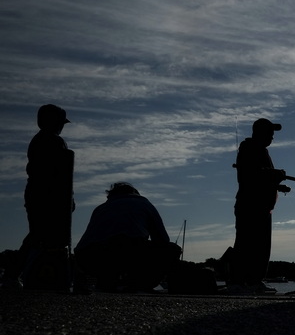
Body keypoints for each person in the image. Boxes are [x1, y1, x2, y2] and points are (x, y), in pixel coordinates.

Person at [1, 104, 75, 290]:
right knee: (41, 235)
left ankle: (24, 272)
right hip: (49, 195)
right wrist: (68, 198)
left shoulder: (38, 140)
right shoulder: (54, 141)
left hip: (36, 193)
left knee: (38, 234)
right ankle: (17, 271)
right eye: (61, 123)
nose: (62, 127)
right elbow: (62, 173)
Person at [74, 182, 181, 292]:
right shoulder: (143, 203)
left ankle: (106, 281)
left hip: (86, 256)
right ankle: (138, 284)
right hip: (126, 252)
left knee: (113, 252)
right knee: (172, 250)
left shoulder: (100, 208)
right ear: (135, 193)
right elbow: (162, 239)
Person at [228, 118, 288, 294]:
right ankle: (237, 282)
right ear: (259, 133)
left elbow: (260, 178)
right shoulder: (248, 149)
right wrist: (275, 175)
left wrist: (277, 185)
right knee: (245, 244)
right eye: (269, 134)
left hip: (263, 208)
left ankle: (254, 281)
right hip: (249, 207)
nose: (272, 138)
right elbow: (251, 176)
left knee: (261, 247)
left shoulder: (262, 151)